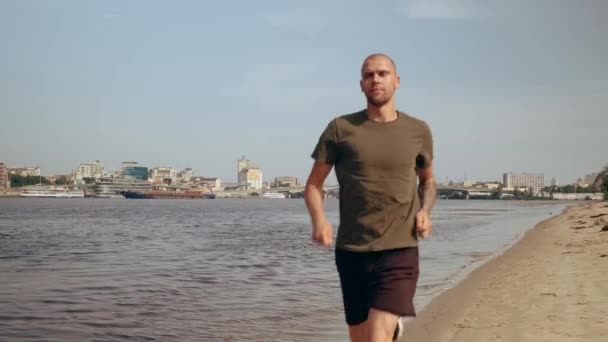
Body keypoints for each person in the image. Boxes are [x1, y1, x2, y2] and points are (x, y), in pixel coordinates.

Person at [304, 53, 436, 342]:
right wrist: (319, 221)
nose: (376, 79)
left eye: (383, 73)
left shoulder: (418, 131)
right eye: (368, 75)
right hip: (352, 251)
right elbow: (313, 185)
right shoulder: (341, 129)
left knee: (377, 337)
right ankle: (392, 330)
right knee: (361, 338)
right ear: (361, 85)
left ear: (397, 81)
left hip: (399, 249)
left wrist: (425, 210)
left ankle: (388, 328)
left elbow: (428, 180)